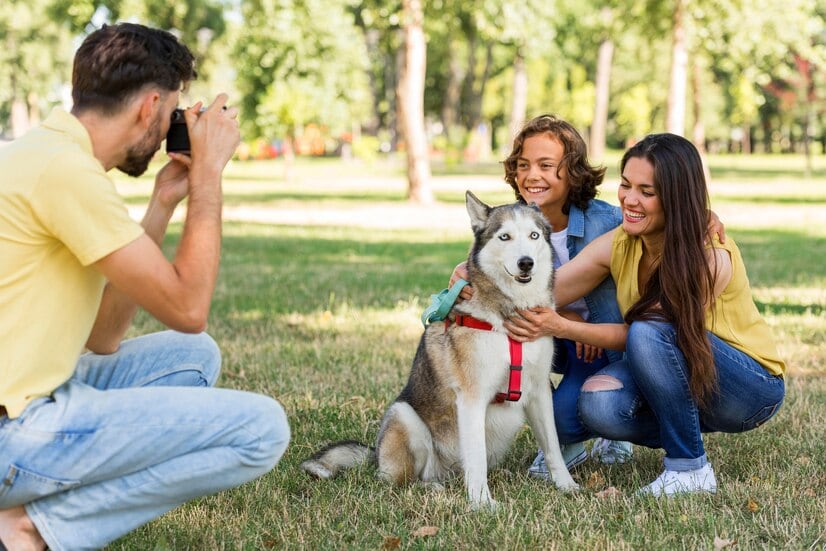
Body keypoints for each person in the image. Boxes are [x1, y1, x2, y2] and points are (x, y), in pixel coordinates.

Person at [0, 23, 289, 549]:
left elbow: (104, 337)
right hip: (13, 433)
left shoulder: (50, 155)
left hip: (28, 394)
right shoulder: (67, 174)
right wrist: (207, 182)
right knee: (262, 429)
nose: (166, 133)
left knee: (193, 357)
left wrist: (163, 203)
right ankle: (31, 530)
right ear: (149, 106)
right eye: (172, 115)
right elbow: (188, 306)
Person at [503, 133, 785, 496]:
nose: (630, 201)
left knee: (650, 330)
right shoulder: (621, 242)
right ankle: (679, 432)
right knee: (598, 404)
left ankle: (689, 469)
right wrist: (472, 277)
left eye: (646, 192)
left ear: (676, 197)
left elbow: (651, 334)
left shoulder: (711, 257)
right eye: (625, 186)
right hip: (682, 375)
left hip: (747, 386)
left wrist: (563, 326)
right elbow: (546, 291)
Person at [451, 114, 634, 477]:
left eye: (547, 166)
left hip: (602, 345)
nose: (532, 175)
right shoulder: (514, 220)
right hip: (555, 338)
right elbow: (487, 271)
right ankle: (569, 442)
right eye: (524, 165)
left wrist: (707, 219)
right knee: (558, 413)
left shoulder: (608, 222)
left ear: (572, 172)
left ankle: (616, 430)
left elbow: (663, 221)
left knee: (570, 417)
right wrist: (462, 275)